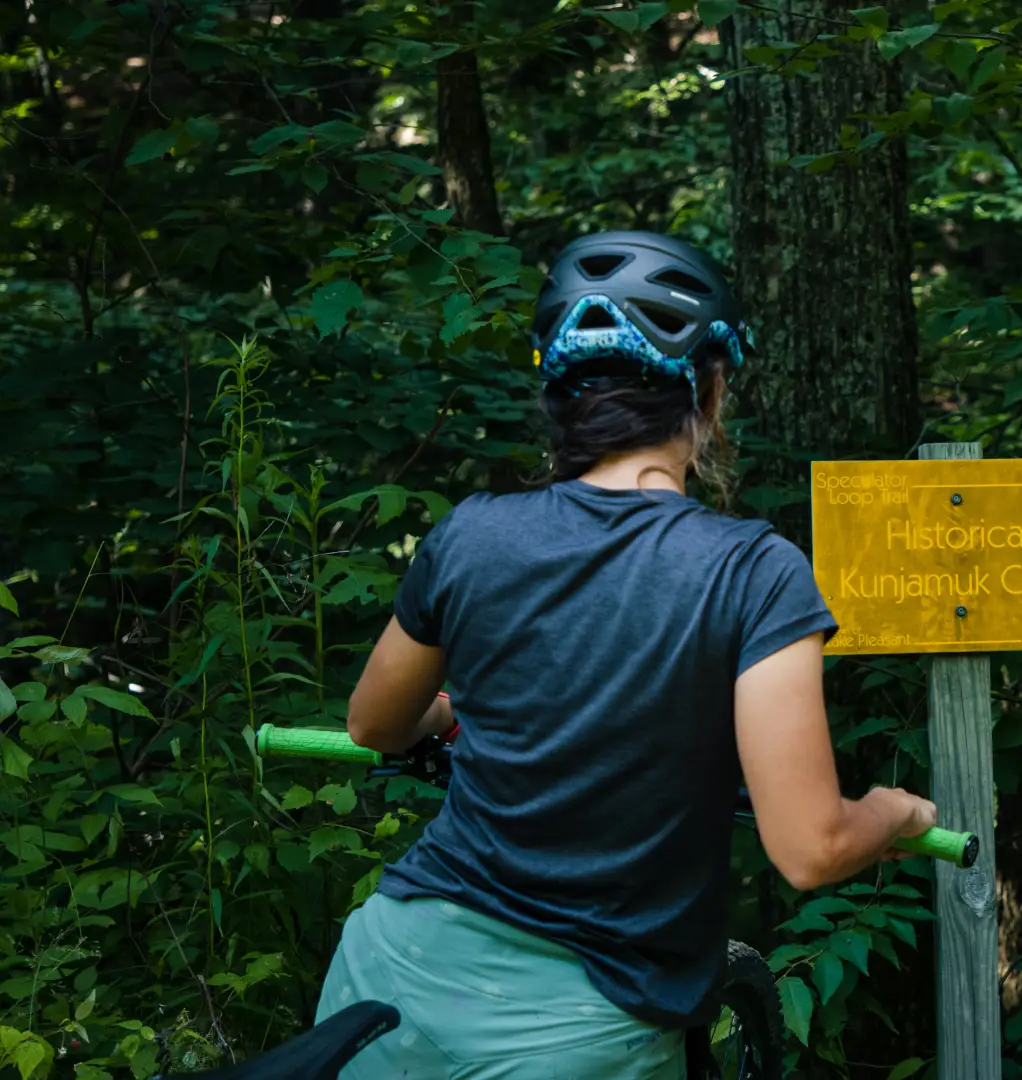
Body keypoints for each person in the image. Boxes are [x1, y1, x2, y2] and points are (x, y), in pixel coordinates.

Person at [315, 231, 938, 1078]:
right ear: (710, 390)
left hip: (389, 979)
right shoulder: (751, 570)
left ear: (558, 396)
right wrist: (896, 814)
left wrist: (455, 720)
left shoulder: (471, 536)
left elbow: (374, 723)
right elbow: (813, 847)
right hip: (579, 1029)